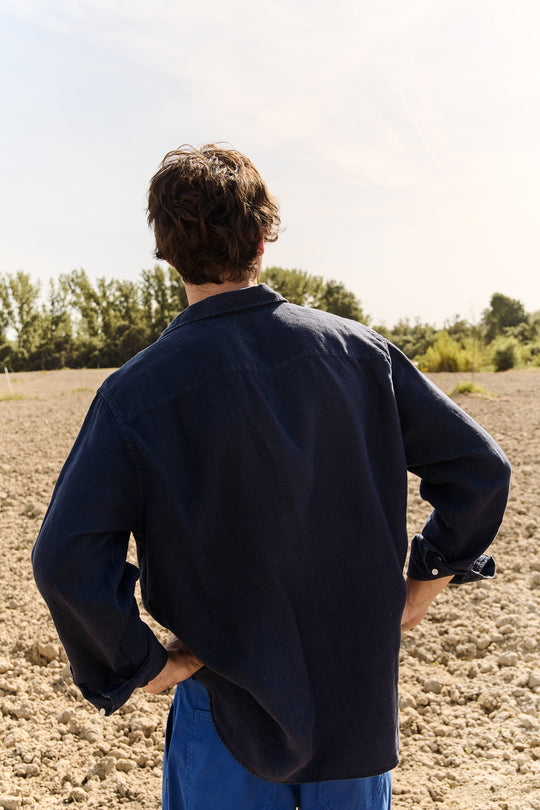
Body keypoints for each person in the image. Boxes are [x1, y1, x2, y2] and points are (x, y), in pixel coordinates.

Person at [32, 144, 511, 810]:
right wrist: (421, 587)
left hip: (222, 712)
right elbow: (481, 470)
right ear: (263, 237)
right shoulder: (360, 354)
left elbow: (64, 558)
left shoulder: (134, 395)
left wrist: (143, 666)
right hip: (355, 713)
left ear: (166, 254)